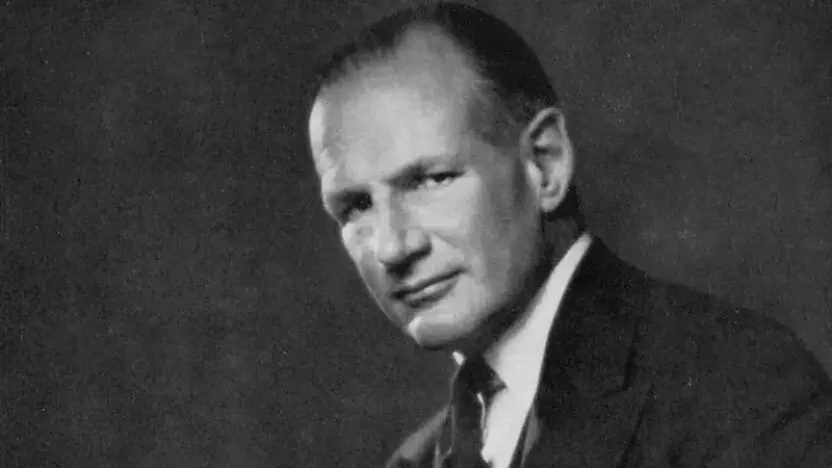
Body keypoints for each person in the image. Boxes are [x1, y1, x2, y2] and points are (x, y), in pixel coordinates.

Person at [305, 2, 832, 467]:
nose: (392, 246)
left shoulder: (732, 384)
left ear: (545, 164)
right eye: (354, 207)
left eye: (430, 179)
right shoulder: (415, 460)